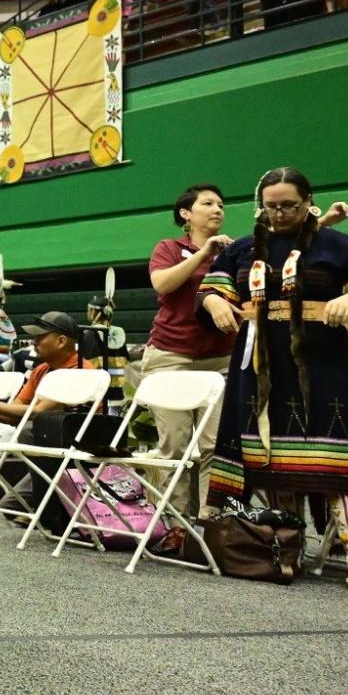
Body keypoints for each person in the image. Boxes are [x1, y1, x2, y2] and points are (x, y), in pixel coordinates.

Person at [198, 167, 348, 591]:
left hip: (324, 366)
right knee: (272, 459)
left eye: (289, 206)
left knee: (340, 462)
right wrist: (212, 303)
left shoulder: (337, 245)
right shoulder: (242, 250)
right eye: (271, 206)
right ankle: (284, 546)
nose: (279, 214)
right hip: (260, 366)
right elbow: (214, 287)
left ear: (308, 201)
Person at [135, 184, 233, 515]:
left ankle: (211, 524)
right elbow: (163, 284)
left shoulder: (233, 253)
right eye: (208, 203)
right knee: (174, 447)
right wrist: (203, 254)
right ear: (186, 214)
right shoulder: (169, 247)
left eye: (221, 204)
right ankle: (174, 526)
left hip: (219, 362)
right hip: (170, 358)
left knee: (214, 446)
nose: (218, 209)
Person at [0, 311, 82, 425]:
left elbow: (40, 412)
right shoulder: (41, 370)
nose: (33, 342)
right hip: (53, 438)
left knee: (26, 432)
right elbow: (13, 416)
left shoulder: (79, 371)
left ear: (61, 341)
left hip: (77, 444)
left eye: (40, 337)